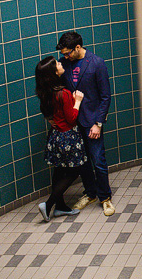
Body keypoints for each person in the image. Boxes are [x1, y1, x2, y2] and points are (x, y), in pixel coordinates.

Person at [57, 31, 115, 216]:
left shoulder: (96, 63)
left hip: (91, 122)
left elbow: (105, 96)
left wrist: (98, 123)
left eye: (68, 53)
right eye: (63, 54)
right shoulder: (64, 63)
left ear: (78, 47)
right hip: (73, 122)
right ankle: (90, 193)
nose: (65, 56)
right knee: (82, 162)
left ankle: (105, 198)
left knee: (98, 160)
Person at [35, 56, 87, 222]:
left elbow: (49, 115)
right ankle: (49, 204)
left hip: (56, 135)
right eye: (57, 64)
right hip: (68, 136)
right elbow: (71, 118)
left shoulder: (46, 92)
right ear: (54, 72)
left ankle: (60, 207)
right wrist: (77, 101)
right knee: (74, 170)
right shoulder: (62, 93)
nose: (60, 63)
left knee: (59, 170)